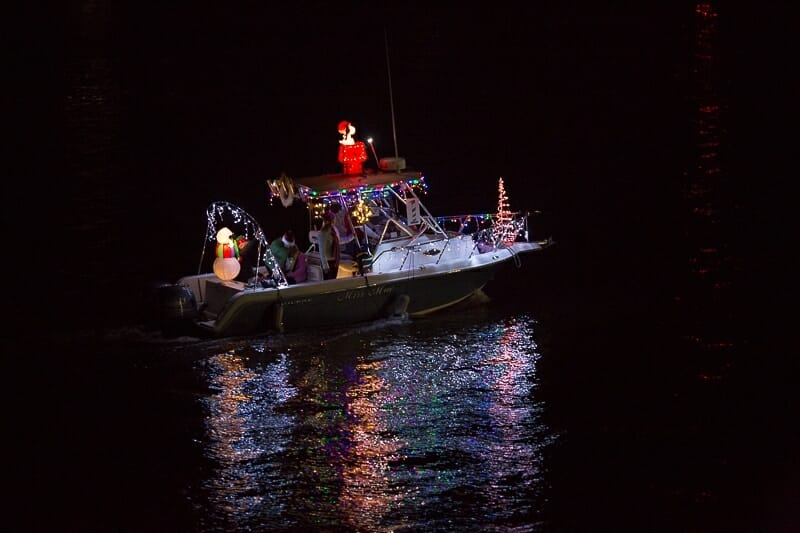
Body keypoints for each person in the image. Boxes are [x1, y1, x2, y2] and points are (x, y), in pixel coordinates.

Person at [318, 211, 340, 280]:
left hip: (335, 261)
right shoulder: (323, 233)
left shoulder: (333, 231)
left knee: (333, 280)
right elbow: (321, 250)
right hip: (328, 262)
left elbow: (339, 241)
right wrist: (325, 265)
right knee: (328, 282)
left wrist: (351, 236)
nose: (335, 220)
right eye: (334, 219)